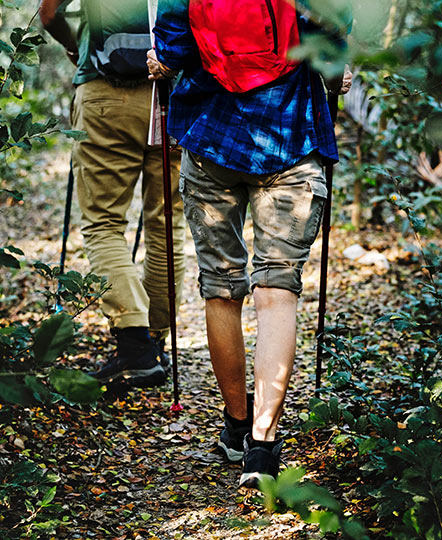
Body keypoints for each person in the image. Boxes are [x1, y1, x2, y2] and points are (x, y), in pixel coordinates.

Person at [148, 0, 351, 487]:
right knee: (276, 292)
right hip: (292, 138)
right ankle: (262, 447)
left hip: (211, 139)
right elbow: (332, 40)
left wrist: (161, 63)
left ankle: (236, 426)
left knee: (221, 287)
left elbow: (171, 50)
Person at [39, 0, 186, 388]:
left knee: (103, 223)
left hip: (106, 92)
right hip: (174, 95)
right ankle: (154, 343)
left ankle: (135, 348)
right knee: (167, 221)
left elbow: (49, 12)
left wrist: (75, 48)